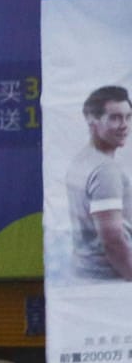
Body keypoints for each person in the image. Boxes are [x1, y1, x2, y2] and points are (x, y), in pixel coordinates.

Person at [67, 85, 132, 282]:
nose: (124, 125)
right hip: (110, 279)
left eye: (128, 116)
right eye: (115, 117)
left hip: (86, 273)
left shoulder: (82, 160)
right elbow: (112, 241)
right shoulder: (105, 170)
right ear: (92, 120)